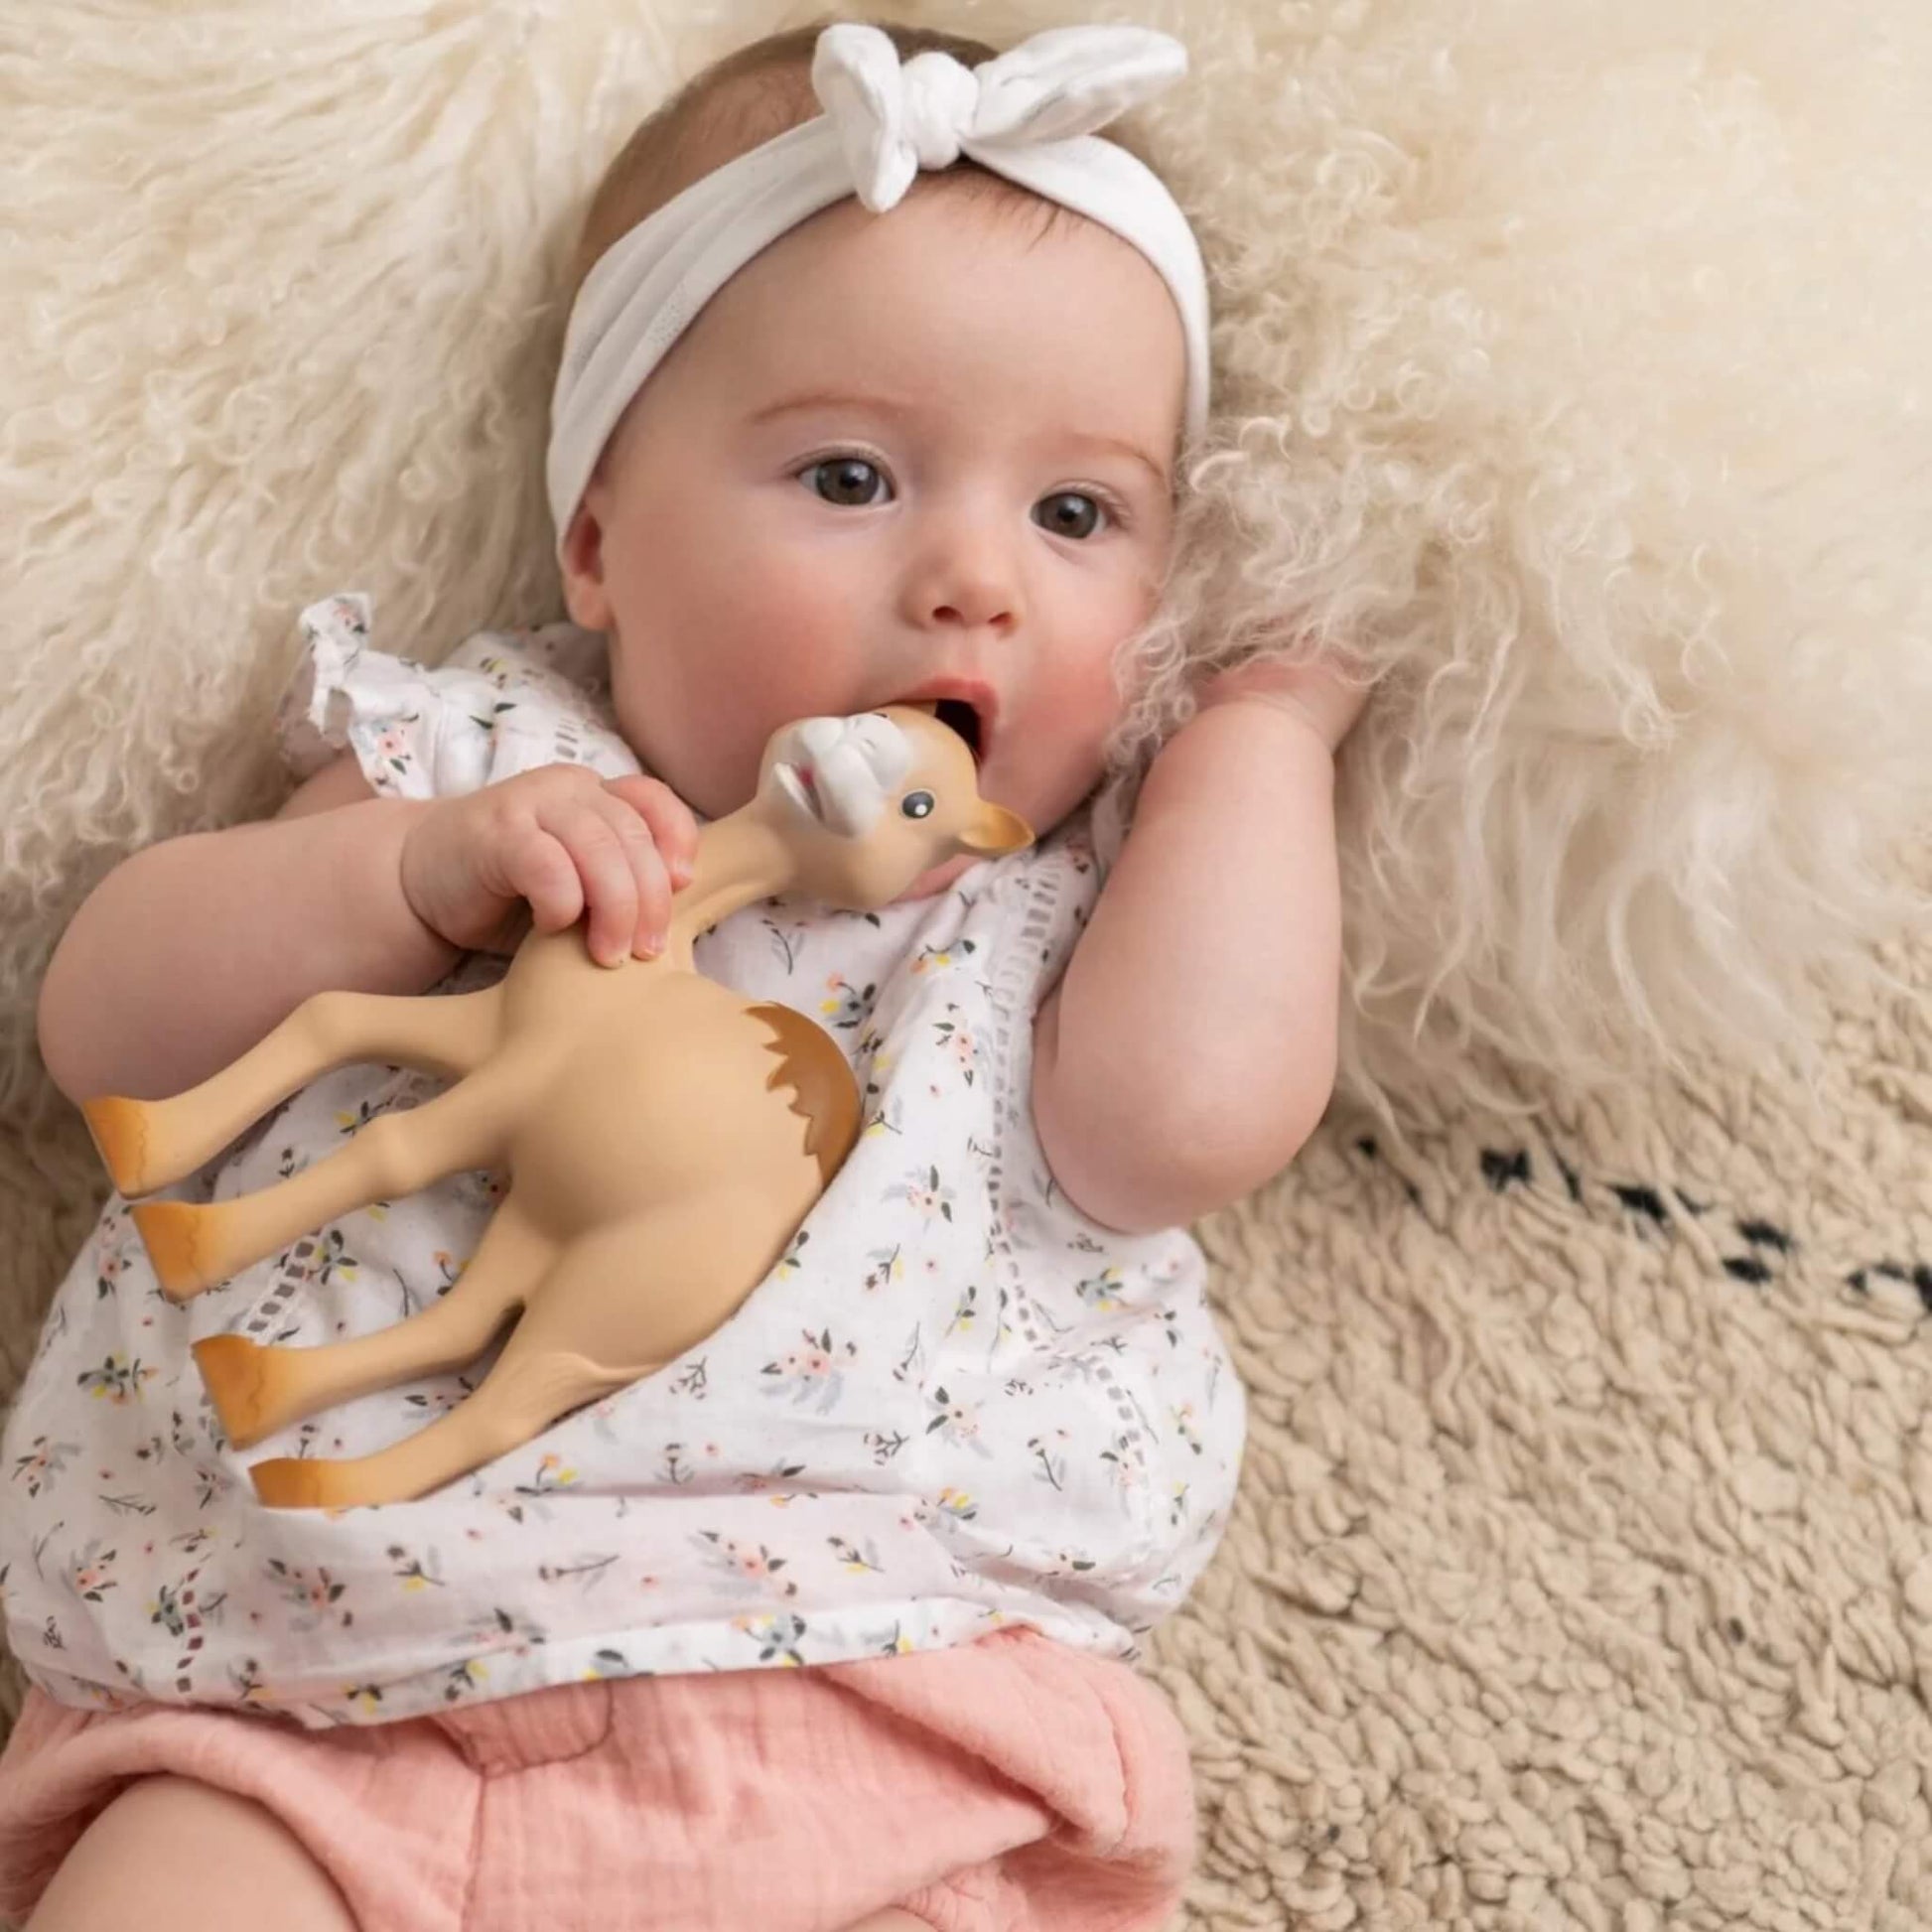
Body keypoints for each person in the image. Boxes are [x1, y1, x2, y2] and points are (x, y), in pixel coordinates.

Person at [0, 17, 1366, 1930]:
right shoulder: (458, 758)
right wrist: (398, 876)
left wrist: (1259, 737)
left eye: (1076, 514)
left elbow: (1191, 1116)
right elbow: (107, 1022)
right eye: (848, 475)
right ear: (598, 538)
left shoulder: (1039, 917)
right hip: (299, 1724)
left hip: (863, 1705)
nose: (975, 577)